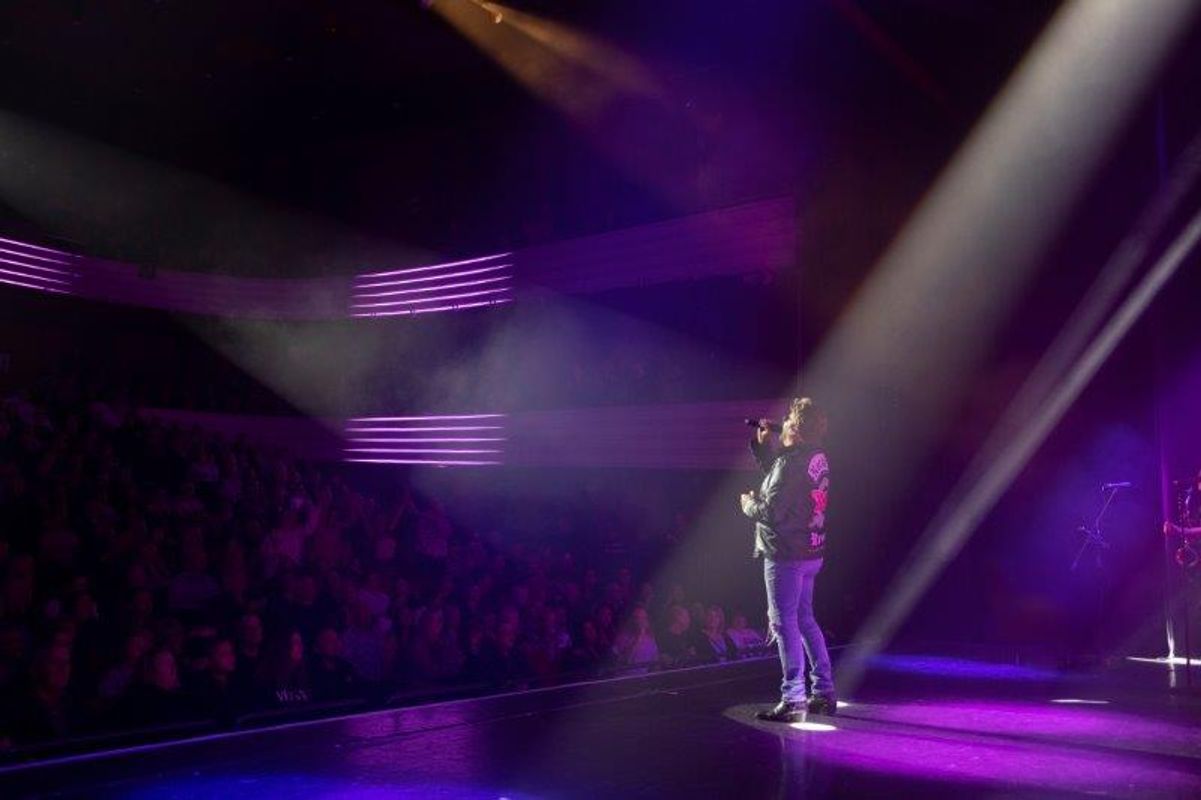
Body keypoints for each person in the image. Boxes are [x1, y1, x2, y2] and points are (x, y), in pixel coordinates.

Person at [740, 397, 835, 721]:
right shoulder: (814, 457)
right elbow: (781, 480)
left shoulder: (790, 462)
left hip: (786, 553)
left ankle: (793, 698)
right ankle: (823, 691)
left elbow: (772, 510)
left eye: (788, 421)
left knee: (784, 623)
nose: (784, 424)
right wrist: (763, 444)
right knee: (805, 619)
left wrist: (748, 505)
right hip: (810, 550)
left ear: (795, 428)